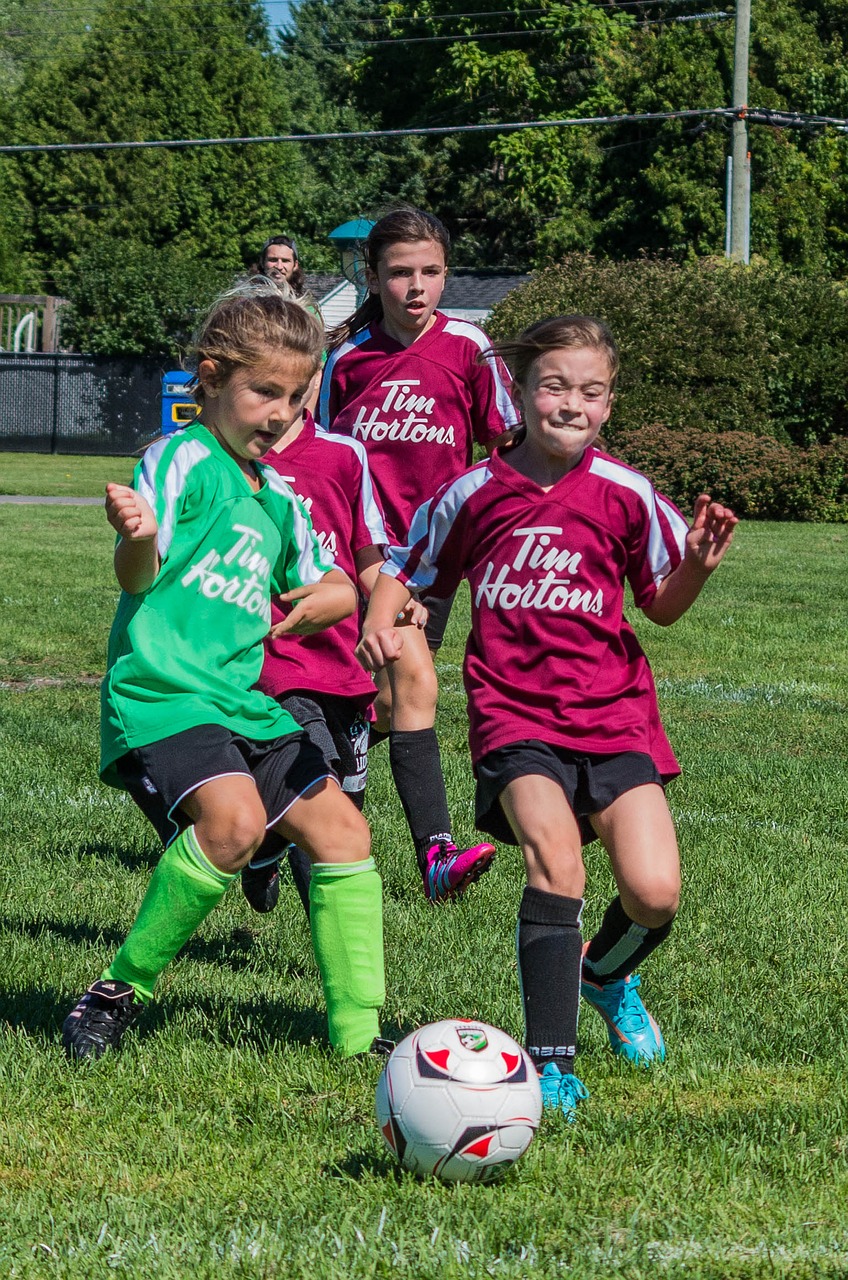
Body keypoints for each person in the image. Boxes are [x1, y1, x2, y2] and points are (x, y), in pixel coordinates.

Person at [356, 315, 738, 1117]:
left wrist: (696, 567)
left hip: (616, 717)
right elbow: (405, 568)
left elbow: (660, 608)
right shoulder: (472, 492)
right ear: (521, 393)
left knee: (655, 892)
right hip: (514, 715)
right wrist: (383, 621)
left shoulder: (627, 493)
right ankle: (550, 1063)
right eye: (554, 385)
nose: (571, 403)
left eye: (590, 391)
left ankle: (602, 976)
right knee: (556, 861)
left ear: (608, 403)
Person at [62, 287, 387, 1062]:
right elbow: (138, 578)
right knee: (235, 826)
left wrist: (336, 599)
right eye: (263, 392)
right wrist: (135, 536)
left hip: (244, 702)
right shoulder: (180, 460)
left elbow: (332, 578)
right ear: (210, 378)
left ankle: (360, 1038)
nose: (279, 414)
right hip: (164, 694)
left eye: (295, 397)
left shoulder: (278, 495)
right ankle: (118, 989)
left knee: (344, 832)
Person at [318, 206, 519, 903]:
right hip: (357, 553)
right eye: (400, 272)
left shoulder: (470, 347)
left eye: (430, 271)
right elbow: (320, 459)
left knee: (379, 694)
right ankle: (428, 854)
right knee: (409, 680)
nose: (416, 285)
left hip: (433, 556)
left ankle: (321, 833)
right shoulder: (347, 359)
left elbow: (505, 448)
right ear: (372, 276)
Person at [241, 397, 428, 915]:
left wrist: (397, 600)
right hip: (272, 664)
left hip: (342, 666)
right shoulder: (231, 458)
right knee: (315, 788)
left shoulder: (344, 454)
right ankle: (329, 938)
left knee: (345, 803)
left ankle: (266, 847)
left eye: (304, 373)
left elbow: (366, 551)